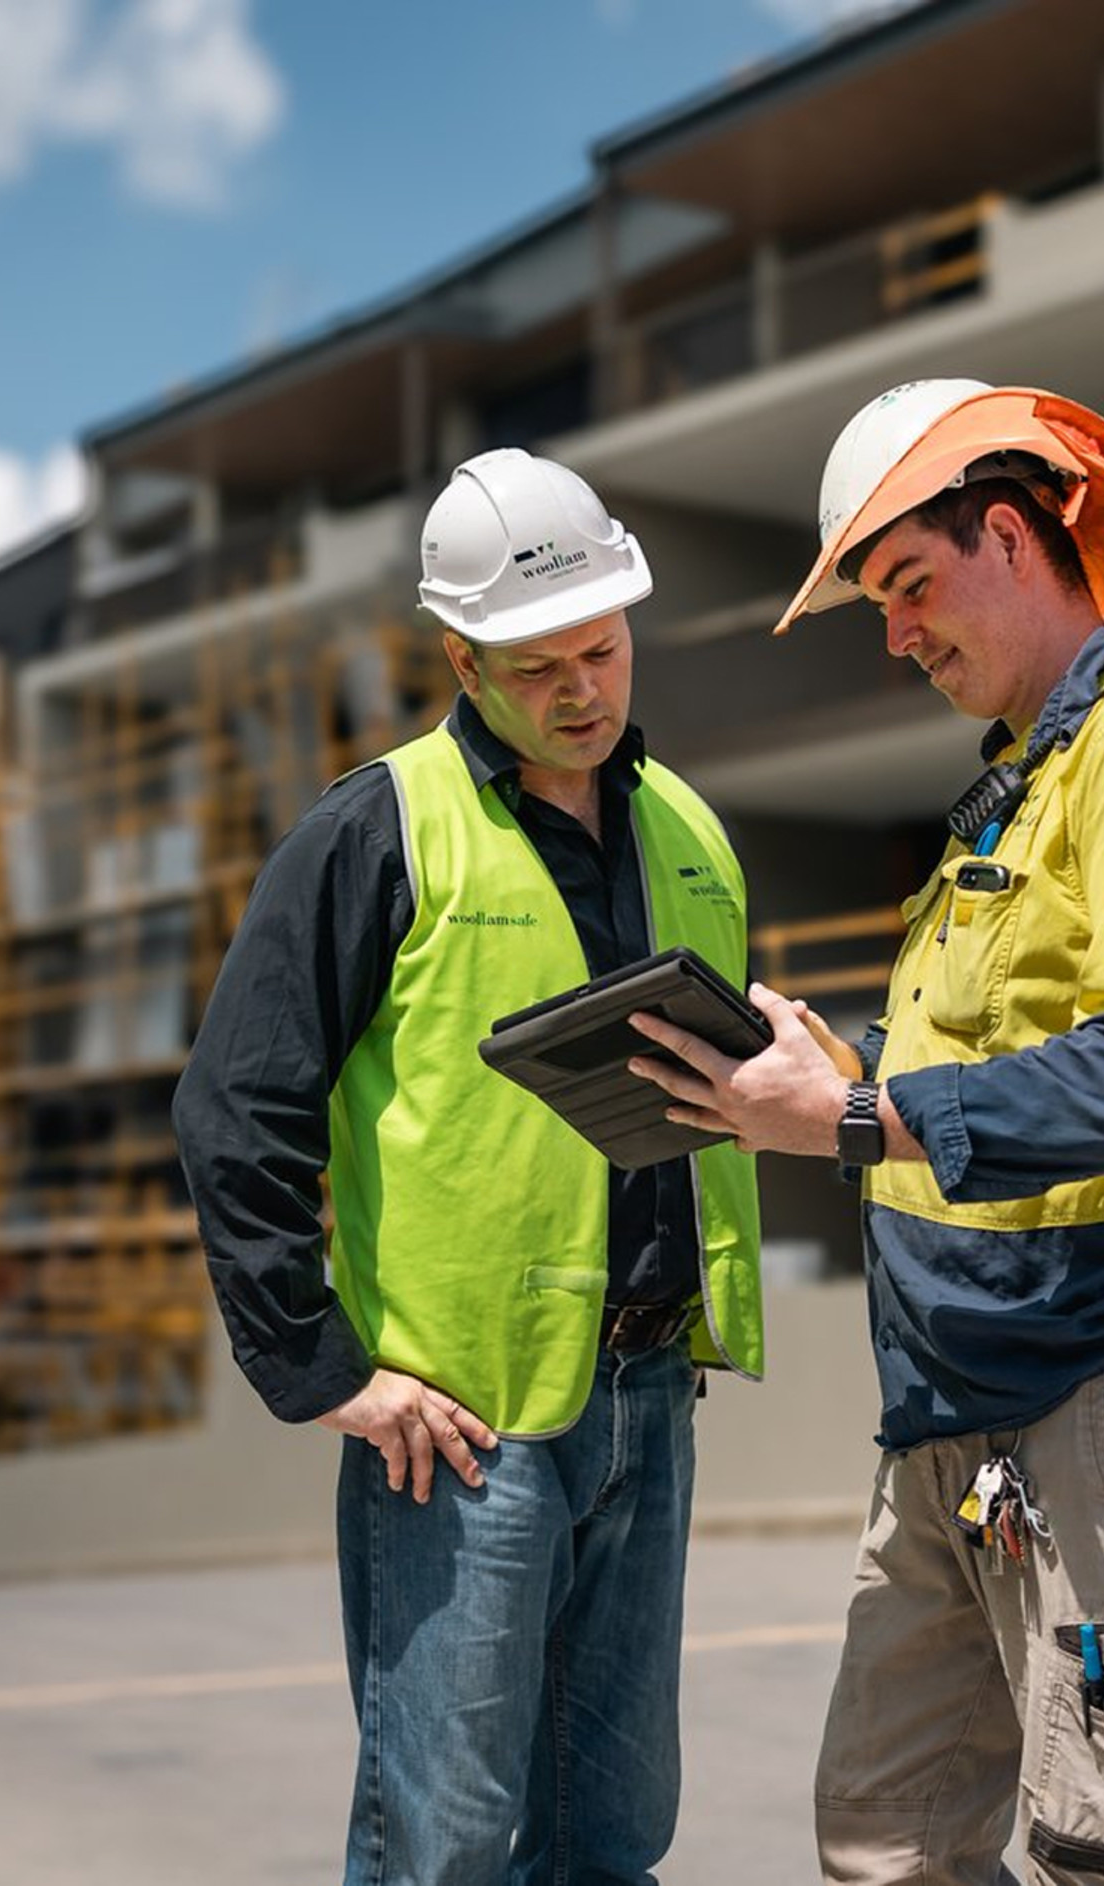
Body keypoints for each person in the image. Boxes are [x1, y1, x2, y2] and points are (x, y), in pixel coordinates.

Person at [630, 380, 1104, 1886]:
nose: (897, 633)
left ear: (1009, 533)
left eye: (909, 584)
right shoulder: (1009, 797)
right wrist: (836, 1065)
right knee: (887, 1846)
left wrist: (861, 1113)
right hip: (956, 1417)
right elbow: (994, 1061)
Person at [173, 447, 762, 1886]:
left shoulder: (687, 828)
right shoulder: (375, 829)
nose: (582, 688)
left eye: (603, 648)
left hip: (644, 1392)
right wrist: (320, 1369)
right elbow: (233, 1108)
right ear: (461, 656)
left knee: (612, 1842)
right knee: (448, 1848)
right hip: (457, 1424)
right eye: (539, 661)